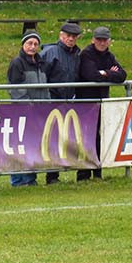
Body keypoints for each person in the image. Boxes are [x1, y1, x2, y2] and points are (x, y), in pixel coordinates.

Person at [75, 26, 127, 181]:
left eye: (104, 40)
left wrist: (104, 73)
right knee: (85, 137)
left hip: (102, 101)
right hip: (86, 102)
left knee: (101, 136)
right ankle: (83, 174)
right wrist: (109, 73)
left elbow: (122, 75)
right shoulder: (86, 54)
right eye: (99, 39)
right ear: (93, 40)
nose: (102, 43)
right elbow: (91, 75)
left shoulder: (109, 56)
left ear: (109, 41)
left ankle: (98, 172)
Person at [40, 22, 82, 184]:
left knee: (64, 138)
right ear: (61, 35)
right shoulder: (50, 53)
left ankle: (56, 173)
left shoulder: (77, 55)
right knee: (50, 138)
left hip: (69, 102)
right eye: (68, 36)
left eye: (74, 36)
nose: (70, 39)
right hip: (52, 102)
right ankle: (51, 175)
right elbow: (42, 77)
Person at [7, 29, 50, 187]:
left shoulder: (41, 64)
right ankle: (19, 180)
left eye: (35, 44)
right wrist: (28, 108)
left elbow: (45, 87)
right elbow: (16, 89)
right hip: (23, 113)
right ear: (23, 44)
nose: (32, 46)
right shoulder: (17, 63)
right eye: (29, 43)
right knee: (21, 146)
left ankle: (30, 178)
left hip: (39, 112)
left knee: (34, 146)